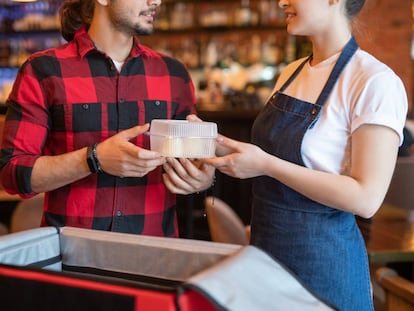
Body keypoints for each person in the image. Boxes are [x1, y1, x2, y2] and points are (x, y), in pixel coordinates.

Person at [204, 0, 408, 310]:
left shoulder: (374, 82)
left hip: (323, 270)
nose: (282, 2)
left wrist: (266, 165)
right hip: (266, 261)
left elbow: (366, 197)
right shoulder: (291, 72)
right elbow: (265, 157)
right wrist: (208, 140)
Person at [0, 0, 214, 237]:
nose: (156, 2)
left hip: (155, 255)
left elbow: (194, 160)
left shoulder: (174, 74)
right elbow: (12, 174)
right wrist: (93, 159)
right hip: (74, 258)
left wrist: (203, 176)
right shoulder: (43, 70)